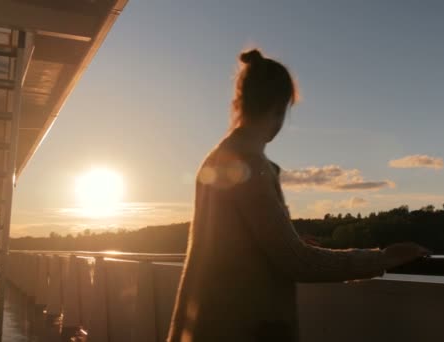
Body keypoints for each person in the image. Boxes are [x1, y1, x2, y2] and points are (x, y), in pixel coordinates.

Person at [167, 48, 430, 342]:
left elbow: (231, 243)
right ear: (280, 107)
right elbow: (297, 262)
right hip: (243, 328)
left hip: (210, 323)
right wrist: (381, 258)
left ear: (240, 101)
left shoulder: (219, 157)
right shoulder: (249, 164)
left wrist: (285, 241)